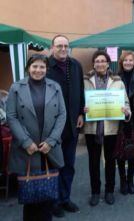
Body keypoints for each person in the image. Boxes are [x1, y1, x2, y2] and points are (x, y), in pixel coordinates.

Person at [6, 54, 66, 221]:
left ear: (46, 69)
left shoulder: (55, 87)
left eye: (42, 67)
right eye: (35, 66)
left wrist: (52, 141)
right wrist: (26, 142)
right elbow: (11, 116)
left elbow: (62, 114)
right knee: (30, 196)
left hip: (48, 148)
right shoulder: (16, 88)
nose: (38, 70)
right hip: (28, 148)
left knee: (47, 195)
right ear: (28, 68)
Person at [82, 50, 131, 206]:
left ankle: (109, 191)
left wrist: (126, 112)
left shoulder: (117, 81)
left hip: (111, 129)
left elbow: (126, 103)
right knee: (93, 163)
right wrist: (82, 110)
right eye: (97, 61)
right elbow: (80, 102)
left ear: (108, 63)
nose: (100, 64)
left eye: (103, 61)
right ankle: (95, 192)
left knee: (110, 162)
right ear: (93, 64)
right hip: (92, 129)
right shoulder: (85, 80)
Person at [47, 35, 84, 217]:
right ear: (52, 47)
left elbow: (81, 91)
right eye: (59, 45)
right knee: (54, 166)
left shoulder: (76, 65)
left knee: (69, 164)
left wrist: (81, 114)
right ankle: (53, 202)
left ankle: (65, 198)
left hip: (71, 125)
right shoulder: (45, 66)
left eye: (66, 46)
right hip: (52, 128)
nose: (63, 49)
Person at [116, 51, 134, 195]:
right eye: (125, 60)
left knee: (132, 152)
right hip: (118, 120)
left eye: (131, 60)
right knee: (120, 152)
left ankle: (130, 180)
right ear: (121, 62)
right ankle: (122, 181)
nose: (128, 62)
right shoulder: (114, 78)